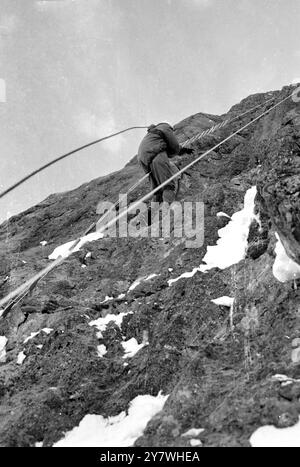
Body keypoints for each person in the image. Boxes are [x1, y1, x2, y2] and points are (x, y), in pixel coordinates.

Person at [137, 122, 192, 203]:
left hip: (143, 158)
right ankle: (167, 209)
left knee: (157, 189)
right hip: (155, 154)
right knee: (167, 185)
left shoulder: (152, 135)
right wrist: (178, 150)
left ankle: (152, 212)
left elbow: (166, 147)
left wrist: (182, 150)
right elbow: (174, 146)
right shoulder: (165, 127)